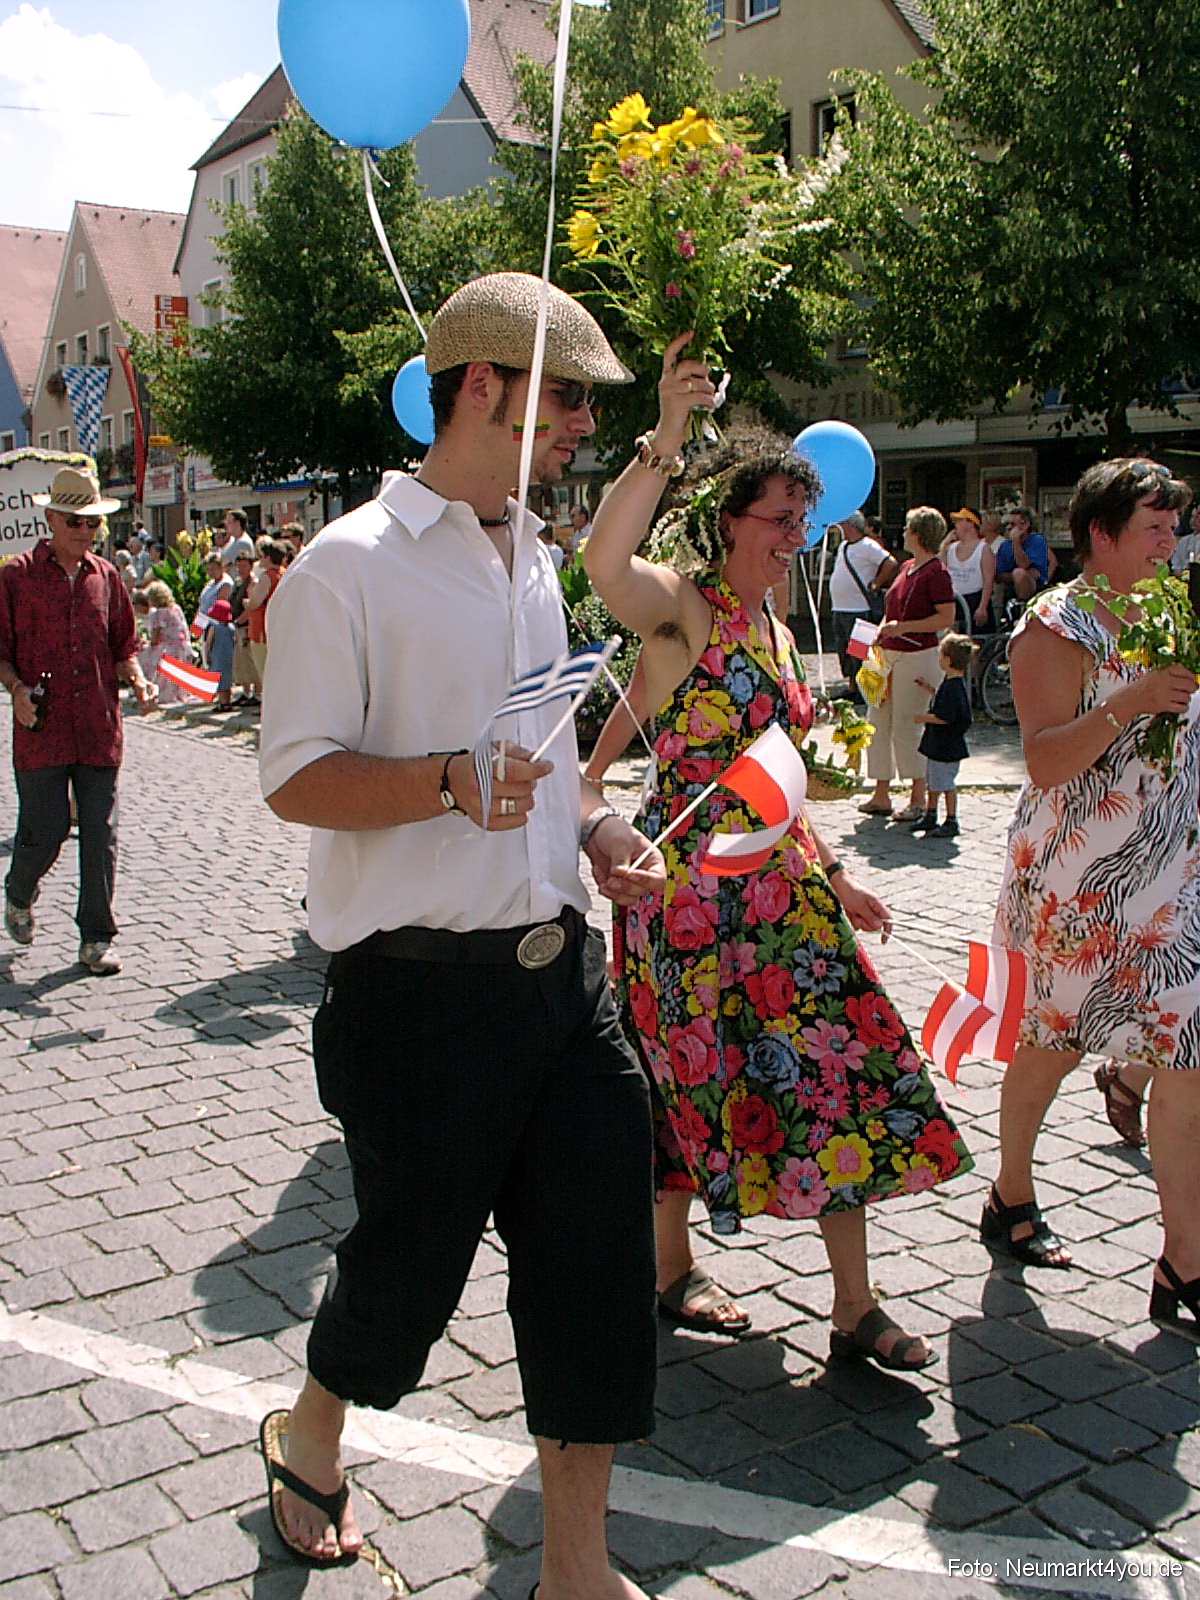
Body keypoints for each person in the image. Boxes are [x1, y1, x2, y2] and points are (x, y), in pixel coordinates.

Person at [256, 271, 667, 1590]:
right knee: (404, 1274)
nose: (583, 427)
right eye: (568, 400)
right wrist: (443, 780)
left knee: (595, 1271)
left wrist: (597, 828)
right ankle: (314, 1427)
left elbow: (550, 756)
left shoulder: (535, 553)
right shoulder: (346, 565)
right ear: (482, 385)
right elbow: (293, 777)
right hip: (416, 999)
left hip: (567, 986)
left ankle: (576, 1568)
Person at [584, 333, 972, 1364]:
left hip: (786, 893)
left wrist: (838, 876)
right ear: (729, 522)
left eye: (805, 520)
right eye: (779, 519)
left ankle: (854, 1305)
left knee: (843, 1066)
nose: (796, 537)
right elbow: (603, 563)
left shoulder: (779, 632)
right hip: (688, 897)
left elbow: (778, 776)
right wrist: (665, 433)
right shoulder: (685, 609)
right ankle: (671, 1269)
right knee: (682, 1083)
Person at [988, 458, 1200, 1338]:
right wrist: (1134, 701)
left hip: (1174, 879)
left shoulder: (1171, 609)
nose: (1170, 541)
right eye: (1154, 526)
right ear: (1102, 534)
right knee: (1052, 1047)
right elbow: (1042, 760)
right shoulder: (1056, 623)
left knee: (1189, 1058)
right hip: (1079, 883)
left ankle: (1184, 1261)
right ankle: (1011, 1192)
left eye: (1173, 524)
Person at [0, 466, 156, 975]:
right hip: (41, 729)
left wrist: (139, 681)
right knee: (45, 830)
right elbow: (1, 652)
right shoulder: (16, 576)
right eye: (75, 521)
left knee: (100, 834)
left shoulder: (106, 577)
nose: (85, 531)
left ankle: (96, 938)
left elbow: (122, 645)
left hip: (97, 727)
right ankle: (19, 890)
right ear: (50, 519)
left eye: (93, 523)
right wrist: (17, 691)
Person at [859, 507, 957, 822]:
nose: (902, 532)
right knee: (878, 721)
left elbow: (945, 617)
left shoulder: (936, 572)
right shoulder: (906, 567)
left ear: (918, 533)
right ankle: (881, 793)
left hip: (918, 656)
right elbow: (892, 611)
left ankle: (918, 797)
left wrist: (902, 628)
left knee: (907, 726)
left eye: (907, 528)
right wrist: (880, 632)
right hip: (888, 655)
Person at [912, 632, 977, 837]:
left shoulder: (953, 687)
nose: (939, 659)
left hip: (945, 746)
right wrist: (929, 689)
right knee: (934, 781)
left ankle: (951, 819)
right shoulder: (951, 683)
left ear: (948, 660)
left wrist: (923, 718)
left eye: (941, 656)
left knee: (945, 784)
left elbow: (945, 716)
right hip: (939, 745)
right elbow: (944, 702)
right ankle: (931, 814)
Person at [829, 512, 898, 697]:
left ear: (852, 526)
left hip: (859, 608)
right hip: (840, 607)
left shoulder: (868, 545)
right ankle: (852, 687)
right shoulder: (844, 546)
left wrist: (876, 583)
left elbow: (890, 562)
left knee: (859, 651)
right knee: (845, 650)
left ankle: (864, 690)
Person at [138, 579, 192, 706]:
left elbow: (155, 636)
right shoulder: (176, 608)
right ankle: (180, 693)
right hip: (182, 645)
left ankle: (157, 692)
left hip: (168, 647)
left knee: (146, 656)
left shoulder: (158, 613)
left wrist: (147, 643)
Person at [940, 507, 995, 632]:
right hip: (955, 600)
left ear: (971, 523)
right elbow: (939, 568)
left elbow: (988, 580)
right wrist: (944, 544)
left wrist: (982, 607)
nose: (956, 524)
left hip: (975, 600)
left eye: (960, 520)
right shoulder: (951, 548)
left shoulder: (983, 549)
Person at [244, 537, 285, 690]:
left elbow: (255, 602)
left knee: (265, 671)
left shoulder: (267, 576)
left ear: (268, 557)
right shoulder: (284, 573)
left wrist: (247, 601)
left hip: (261, 629)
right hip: (276, 627)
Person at [993, 505, 1049, 607]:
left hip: (1035, 591)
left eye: (1013, 524)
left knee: (1019, 573)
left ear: (1025, 525)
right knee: (1017, 573)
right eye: (1008, 524)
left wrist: (1016, 542)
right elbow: (998, 576)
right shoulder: (1005, 545)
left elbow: (1023, 565)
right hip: (1010, 593)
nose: (1008, 527)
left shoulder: (1037, 541)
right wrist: (1014, 576)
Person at [229, 550, 260, 707]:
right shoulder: (238, 582)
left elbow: (251, 606)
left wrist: (239, 620)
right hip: (238, 625)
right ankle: (245, 692)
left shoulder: (253, 582)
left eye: (244, 566)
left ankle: (257, 693)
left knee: (250, 661)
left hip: (247, 625)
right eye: (238, 566)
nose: (240, 569)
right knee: (240, 662)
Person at [205, 598, 236, 711]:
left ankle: (223, 703)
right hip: (229, 657)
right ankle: (228, 701)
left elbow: (209, 643)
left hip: (217, 657)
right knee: (227, 680)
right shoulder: (231, 628)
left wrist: (207, 655)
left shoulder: (214, 628)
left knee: (219, 681)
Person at [1169, 499, 1200, 575]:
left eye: (1197, 517)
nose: (1193, 520)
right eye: (1192, 517)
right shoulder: (1184, 541)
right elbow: (1175, 563)